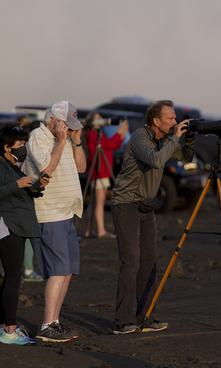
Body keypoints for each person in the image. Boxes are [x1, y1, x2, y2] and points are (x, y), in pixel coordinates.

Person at [110, 100, 195, 335]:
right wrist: (174, 138)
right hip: (126, 204)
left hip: (146, 206)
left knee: (149, 261)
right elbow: (156, 160)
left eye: (176, 118)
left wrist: (190, 138)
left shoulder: (163, 140)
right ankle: (123, 320)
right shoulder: (140, 137)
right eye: (170, 118)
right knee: (131, 261)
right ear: (156, 121)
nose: (175, 122)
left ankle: (144, 316)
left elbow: (186, 158)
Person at [22, 101, 86, 342]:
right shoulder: (38, 137)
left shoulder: (68, 139)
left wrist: (76, 141)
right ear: (54, 121)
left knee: (67, 271)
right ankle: (47, 324)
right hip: (49, 214)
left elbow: (82, 167)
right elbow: (46, 169)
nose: (69, 130)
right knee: (58, 271)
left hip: (67, 212)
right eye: (67, 126)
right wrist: (60, 141)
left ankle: (55, 321)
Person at [0, 126, 48, 345]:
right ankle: (10, 330)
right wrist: (17, 184)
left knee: (10, 276)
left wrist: (37, 187)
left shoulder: (13, 166)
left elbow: (21, 190)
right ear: (6, 147)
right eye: (19, 145)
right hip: (5, 226)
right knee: (14, 277)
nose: (23, 149)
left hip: (16, 226)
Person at [83, 112, 127, 239]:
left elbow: (109, 145)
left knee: (95, 202)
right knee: (99, 203)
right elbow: (108, 145)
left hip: (100, 172)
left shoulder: (96, 134)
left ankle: (88, 229)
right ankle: (100, 230)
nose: (102, 120)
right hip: (99, 172)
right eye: (98, 119)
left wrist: (121, 134)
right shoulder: (92, 134)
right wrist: (120, 133)